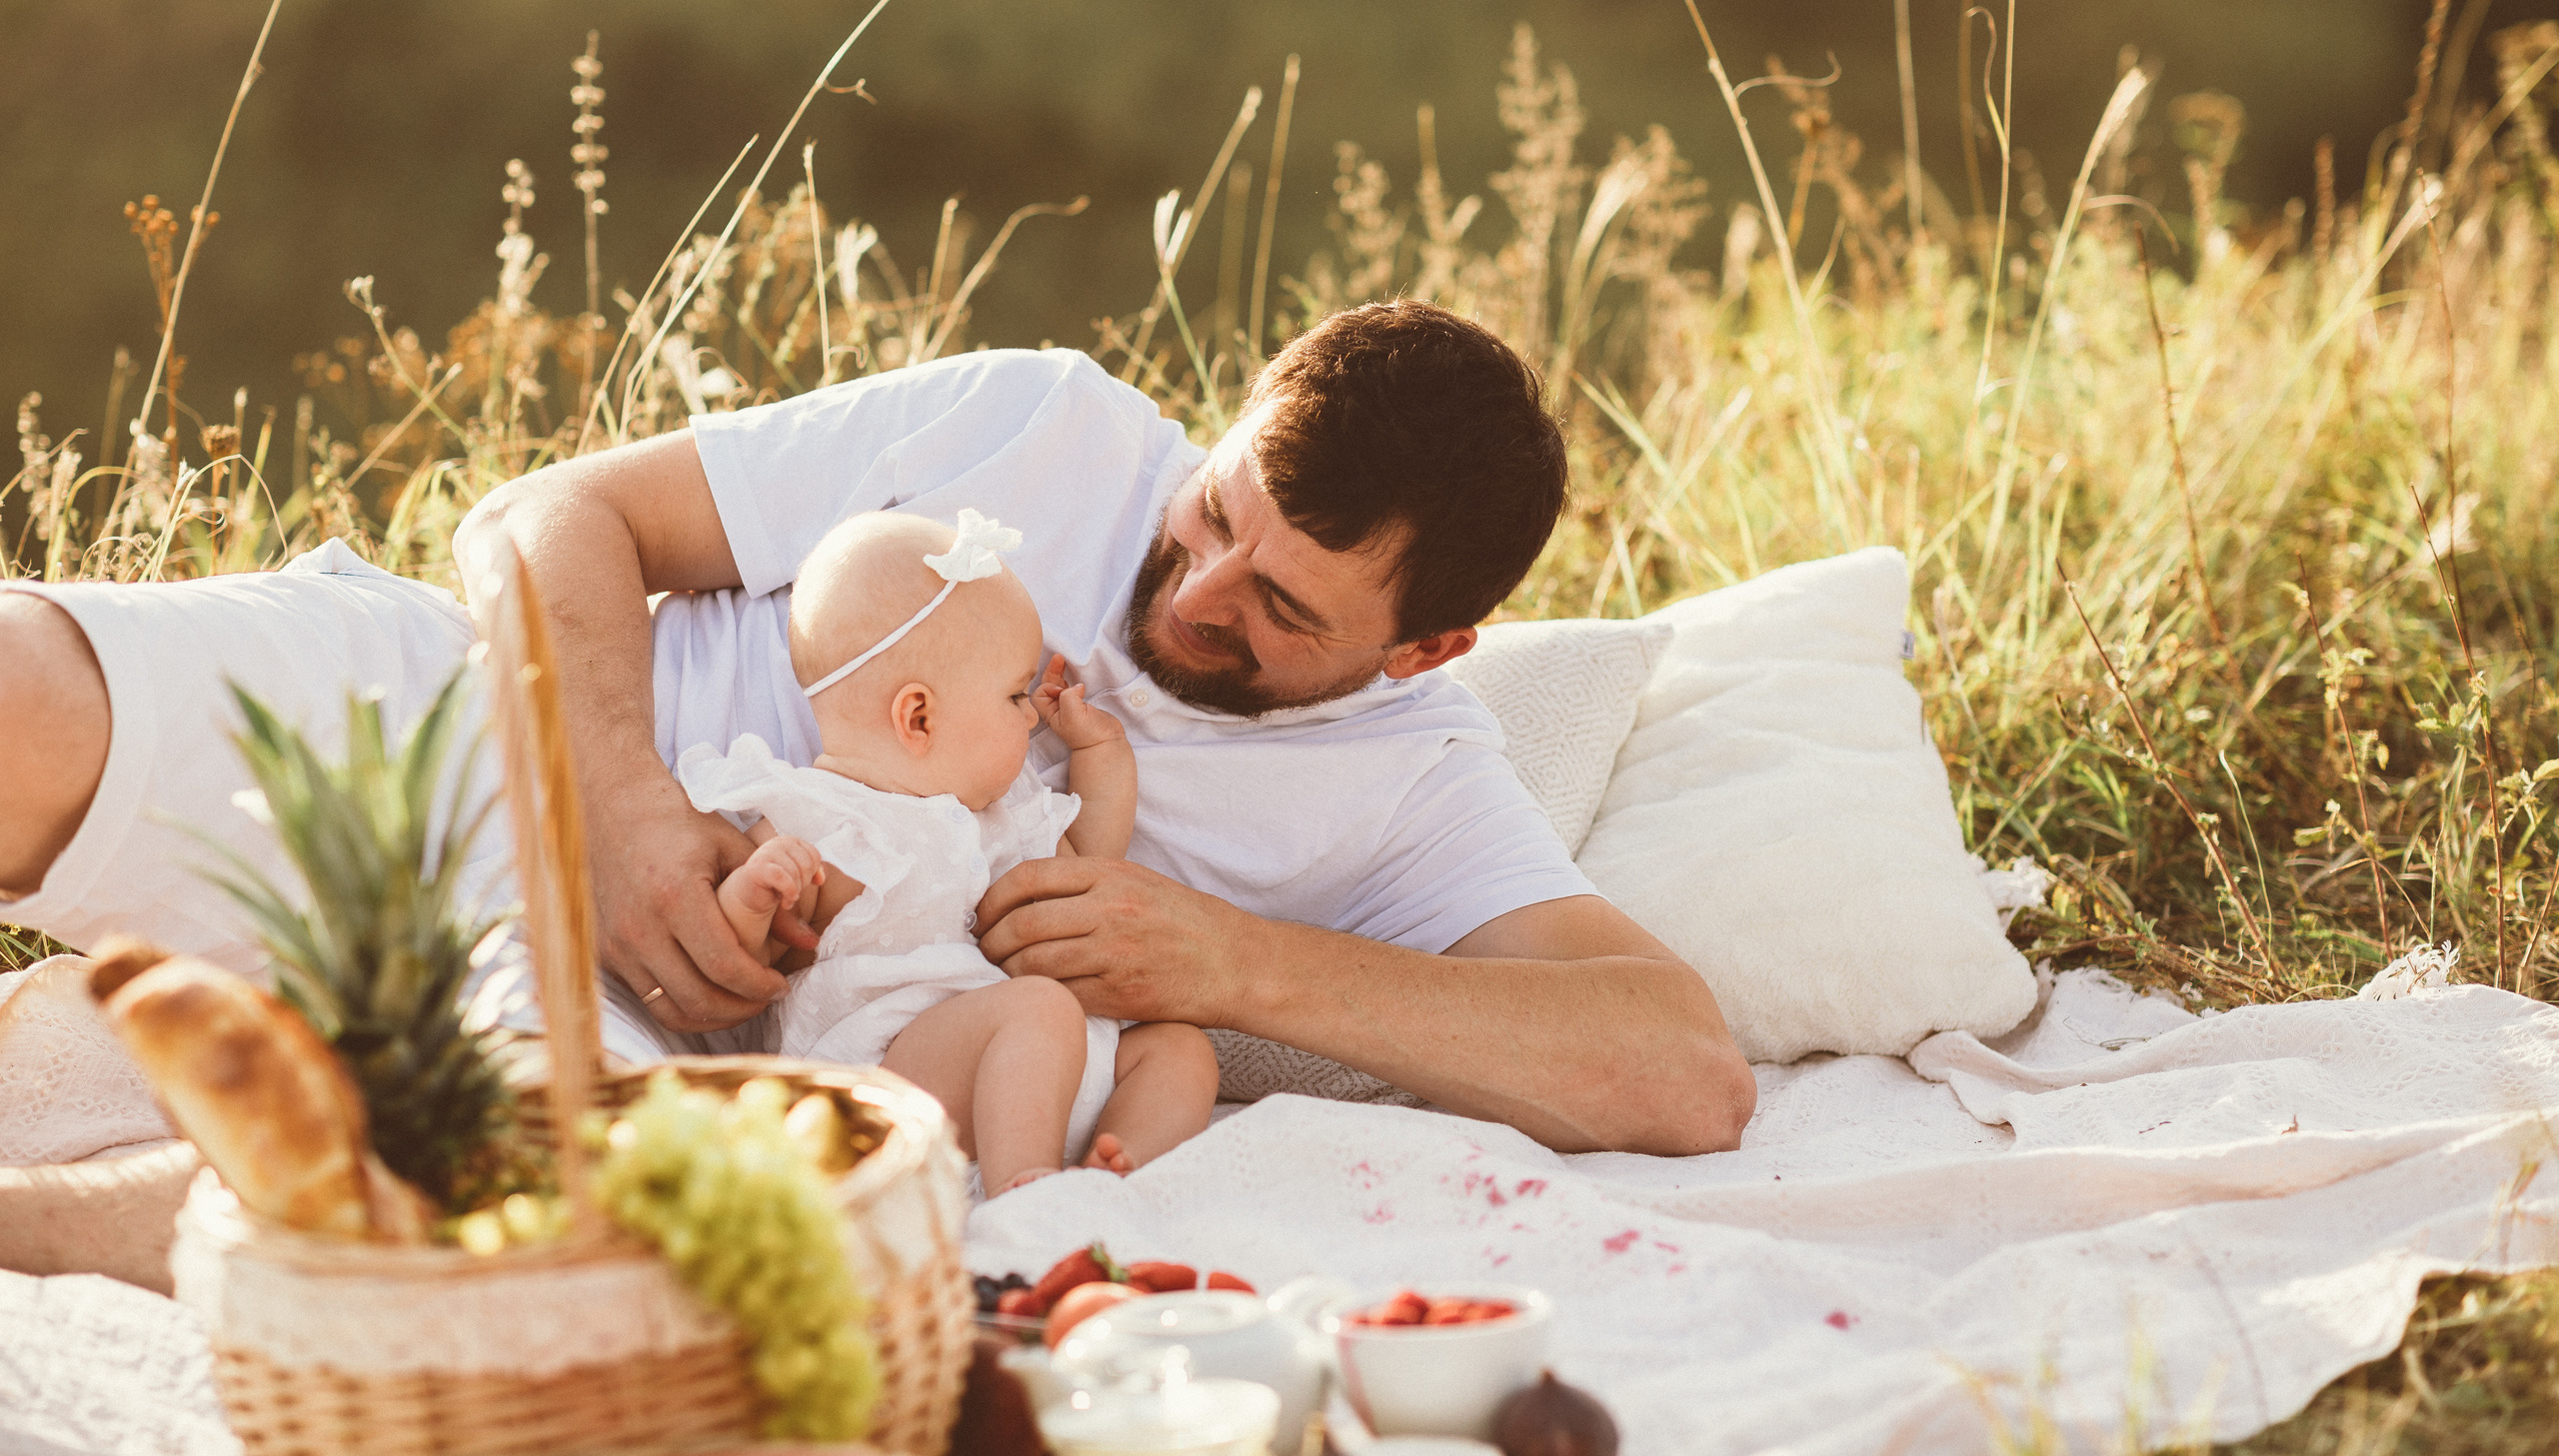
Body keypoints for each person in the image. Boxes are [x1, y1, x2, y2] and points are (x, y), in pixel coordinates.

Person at [0, 300, 1754, 1156]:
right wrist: (614, 805)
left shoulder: (1418, 781)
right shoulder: (1046, 424)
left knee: (469, 1207)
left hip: (704, 1062)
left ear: (1426, 645)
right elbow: (551, 519)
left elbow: (1680, 1065)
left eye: (1282, 608)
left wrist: (1231, 961)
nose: (1194, 587)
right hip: (509, 748)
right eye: (1213, 514)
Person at [688, 508, 1215, 1191]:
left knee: (1181, 1048)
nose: (1031, 715)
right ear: (919, 716)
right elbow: (744, 953)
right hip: (890, 1080)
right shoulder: (823, 819)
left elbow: (1087, 861)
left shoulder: (1004, 811)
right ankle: (1023, 1188)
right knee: (1039, 1009)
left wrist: (1100, 749)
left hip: (1037, 1066)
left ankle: (1111, 1175)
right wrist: (754, 892)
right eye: (1013, 695)